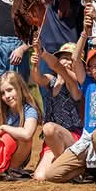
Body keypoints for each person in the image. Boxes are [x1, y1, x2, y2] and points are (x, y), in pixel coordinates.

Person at [42, 8, 96, 184]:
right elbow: (75, 60)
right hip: (86, 141)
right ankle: (89, 168)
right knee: (52, 174)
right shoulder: (88, 84)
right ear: (89, 70)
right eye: (95, 67)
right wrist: (84, 33)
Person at [32, 42, 85, 181]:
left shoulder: (75, 83)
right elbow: (38, 79)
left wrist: (43, 51)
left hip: (72, 138)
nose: (67, 62)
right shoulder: (52, 80)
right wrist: (35, 65)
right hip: (53, 140)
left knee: (48, 128)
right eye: (64, 58)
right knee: (40, 177)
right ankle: (71, 169)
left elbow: (58, 67)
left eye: (71, 59)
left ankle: (69, 166)